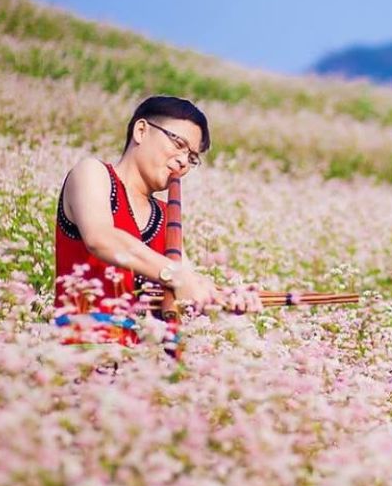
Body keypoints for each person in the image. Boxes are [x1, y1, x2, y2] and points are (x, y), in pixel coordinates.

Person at [54, 95, 259, 349]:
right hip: (80, 352)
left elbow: (186, 284)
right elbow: (101, 238)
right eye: (178, 144)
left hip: (142, 368)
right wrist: (179, 277)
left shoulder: (164, 216)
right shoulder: (93, 173)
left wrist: (224, 300)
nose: (183, 162)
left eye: (192, 157)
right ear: (141, 130)